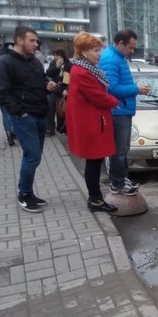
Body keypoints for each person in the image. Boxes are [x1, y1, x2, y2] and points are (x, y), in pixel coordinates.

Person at [0, 26, 57, 213]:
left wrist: (48, 85)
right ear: (19, 40)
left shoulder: (34, 61)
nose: (36, 44)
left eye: (37, 41)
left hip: (39, 114)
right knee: (32, 156)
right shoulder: (5, 62)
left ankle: (28, 192)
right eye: (32, 40)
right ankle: (24, 194)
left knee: (34, 157)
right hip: (24, 117)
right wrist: (21, 113)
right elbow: (1, 93)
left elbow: (42, 79)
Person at [66, 32, 120, 213]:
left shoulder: (83, 68)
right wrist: (115, 101)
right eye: (95, 50)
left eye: (99, 50)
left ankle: (95, 197)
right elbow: (98, 97)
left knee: (95, 162)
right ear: (83, 51)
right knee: (94, 162)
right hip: (91, 123)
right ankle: (95, 199)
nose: (99, 54)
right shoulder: (82, 71)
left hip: (92, 121)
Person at [99, 28, 150, 195]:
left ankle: (121, 179)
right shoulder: (111, 59)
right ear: (121, 43)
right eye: (130, 47)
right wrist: (136, 89)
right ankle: (118, 184)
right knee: (119, 151)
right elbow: (111, 88)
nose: (132, 50)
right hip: (117, 111)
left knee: (122, 149)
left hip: (122, 110)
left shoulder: (117, 57)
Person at [45, 48, 72, 136]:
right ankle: (49, 128)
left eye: (58, 55)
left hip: (64, 89)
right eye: (55, 55)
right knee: (50, 104)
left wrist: (66, 89)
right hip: (55, 89)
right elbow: (48, 73)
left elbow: (69, 80)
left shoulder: (69, 65)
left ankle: (62, 127)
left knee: (63, 108)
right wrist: (56, 66)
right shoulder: (53, 63)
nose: (56, 57)